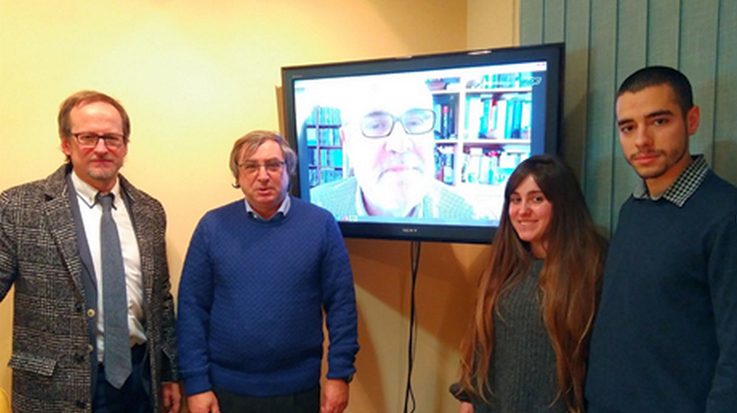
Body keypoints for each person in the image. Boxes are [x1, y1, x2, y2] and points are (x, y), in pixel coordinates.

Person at [0, 91, 180, 413]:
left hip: (138, 384)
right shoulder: (18, 207)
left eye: (112, 138)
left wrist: (168, 374)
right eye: (88, 137)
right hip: (52, 391)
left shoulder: (150, 212)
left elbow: (160, 301)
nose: (101, 148)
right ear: (66, 144)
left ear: (125, 146)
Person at [585, 66, 737, 411]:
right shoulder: (633, 209)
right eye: (628, 127)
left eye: (659, 121)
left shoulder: (725, 215)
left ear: (692, 120)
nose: (641, 140)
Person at [177, 130, 359, 413]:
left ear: (289, 170)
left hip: (298, 391)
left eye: (273, 165)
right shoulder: (212, 227)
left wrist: (338, 374)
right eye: (251, 166)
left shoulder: (320, 224)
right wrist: (196, 384)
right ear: (237, 175)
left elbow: (342, 306)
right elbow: (192, 309)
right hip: (226, 390)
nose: (263, 175)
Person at [451, 154, 607, 413]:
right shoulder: (504, 265)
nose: (522, 210)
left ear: (562, 204)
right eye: (515, 200)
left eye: (537, 199)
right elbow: (482, 340)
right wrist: (467, 394)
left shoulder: (592, 267)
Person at [309, 77, 476, 221]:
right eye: (376, 125)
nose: (400, 145)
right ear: (347, 142)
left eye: (415, 122)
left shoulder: (470, 216)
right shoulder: (313, 209)